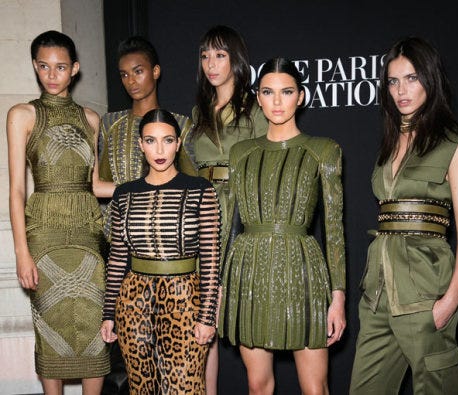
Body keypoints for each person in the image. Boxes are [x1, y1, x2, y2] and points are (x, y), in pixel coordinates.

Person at [349, 37, 458, 394]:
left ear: (430, 80)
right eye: (393, 81)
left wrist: (452, 300)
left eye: (412, 78)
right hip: (377, 294)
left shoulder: (454, 141)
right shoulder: (389, 142)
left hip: (426, 291)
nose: (401, 90)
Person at [219, 57, 346, 395]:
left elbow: (334, 229)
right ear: (257, 97)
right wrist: (217, 287)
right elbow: (225, 225)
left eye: (286, 91)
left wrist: (338, 297)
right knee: (257, 385)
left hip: (303, 272)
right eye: (268, 92)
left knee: (315, 388)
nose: (277, 101)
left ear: (300, 97)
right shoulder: (240, 152)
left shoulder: (324, 150)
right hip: (249, 271)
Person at [7, 30, 112, 394]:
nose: (52, 75)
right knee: (50, 328)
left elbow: (96, 184)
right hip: (44, 233)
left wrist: (147, 185)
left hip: (88, 231)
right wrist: (21, 252)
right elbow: (17, 189)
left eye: (61, 67)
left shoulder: (92, 119)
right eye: (44, 67)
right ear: (36, 67)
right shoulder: (22, 115)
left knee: (95, 330)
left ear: (75, 69)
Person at [100, 109, 220, 394]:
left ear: (178, 143)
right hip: (133, 302)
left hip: (185, 299)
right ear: (140, 145)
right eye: (150, 141)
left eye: (167, 140)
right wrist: (108, 313)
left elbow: (211, 258)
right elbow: (118, 256)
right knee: (141, 388)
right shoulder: (124, 194)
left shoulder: (201, 190)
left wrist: (207, 316)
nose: (159, 149)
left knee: (185, 387)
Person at [178, 25, 267, 394]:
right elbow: (185, 169)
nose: (211, 64)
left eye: (219, 55)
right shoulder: (198, 113)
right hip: (201, 214)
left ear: (236, 59)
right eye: (204, 56)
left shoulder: (255, 106)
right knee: (204, 322)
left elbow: (268, 164)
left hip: (242, 215)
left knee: (246, 321)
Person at [99, 36, 191, 238]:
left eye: (138, 71)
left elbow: (191, 185)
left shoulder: (181, 125)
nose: (131, 81)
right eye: (124, 74)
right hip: (118, 232)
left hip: (166, 229)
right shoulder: (110, 124)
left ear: (155, 71)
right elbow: (100, 182)